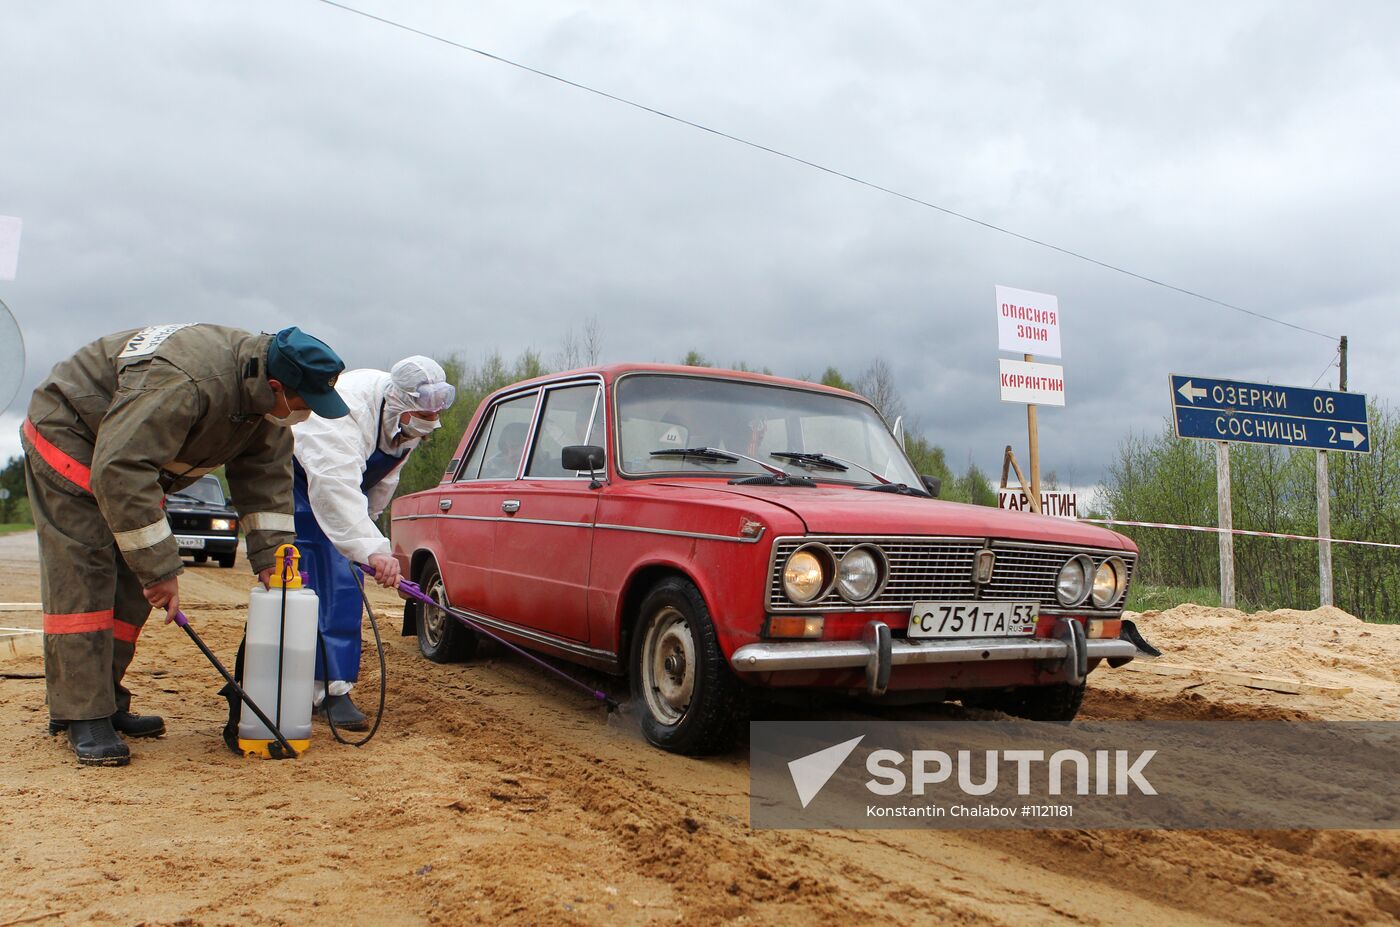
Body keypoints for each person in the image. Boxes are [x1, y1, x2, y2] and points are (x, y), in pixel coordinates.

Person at [22, 324, 350, 766]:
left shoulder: (266, 407)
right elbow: (119, 469)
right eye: (304, 403)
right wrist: (160, 569)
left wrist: (273, 560)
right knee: (86, 575)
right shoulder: (187, 381)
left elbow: (266, 481)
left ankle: (108, 700)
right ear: (276, 385)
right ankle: (81, 714)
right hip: (74, 435)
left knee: (129, 593)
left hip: (126, 456)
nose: (306, 414)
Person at [290, 356, 456, 729]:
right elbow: (335, 486)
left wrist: (370, 532)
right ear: (400, 404)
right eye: (417, 426)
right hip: (300, 484)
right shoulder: (343, 413)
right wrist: (373, 548)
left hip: (346, 492)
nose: (420, 436)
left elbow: (383, 479)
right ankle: (297, 686)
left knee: (346, 584)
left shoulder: (409, 422)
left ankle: (334, 690)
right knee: (305, 583)